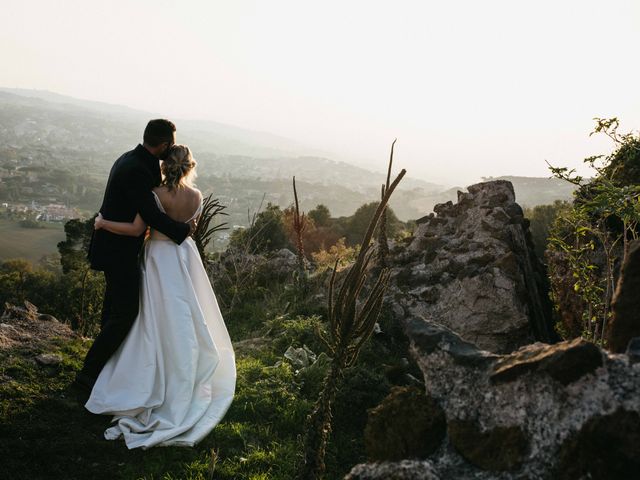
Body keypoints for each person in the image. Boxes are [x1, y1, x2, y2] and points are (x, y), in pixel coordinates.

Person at [84, 144, 236, 448]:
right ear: (190, 167)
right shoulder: (197, 198)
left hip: (156, 258)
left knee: (150, 317)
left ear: (164, 167)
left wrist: (102, 223)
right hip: (184, 259)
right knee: (183, 315)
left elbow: (135, 229)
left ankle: (142, 374)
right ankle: (181, 368)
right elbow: (189, 231)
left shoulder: (155, 194)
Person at [75, 119, 193, 396]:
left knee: (113, 308)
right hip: (119, 249)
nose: (172, 147)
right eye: (171, 143)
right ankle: (87, 375)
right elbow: (149, 214)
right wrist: (182, 230)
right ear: (164, 145)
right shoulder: (140, 170)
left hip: (113, 245)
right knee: (126, 312)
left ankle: (104, 368)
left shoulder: (131, 159)